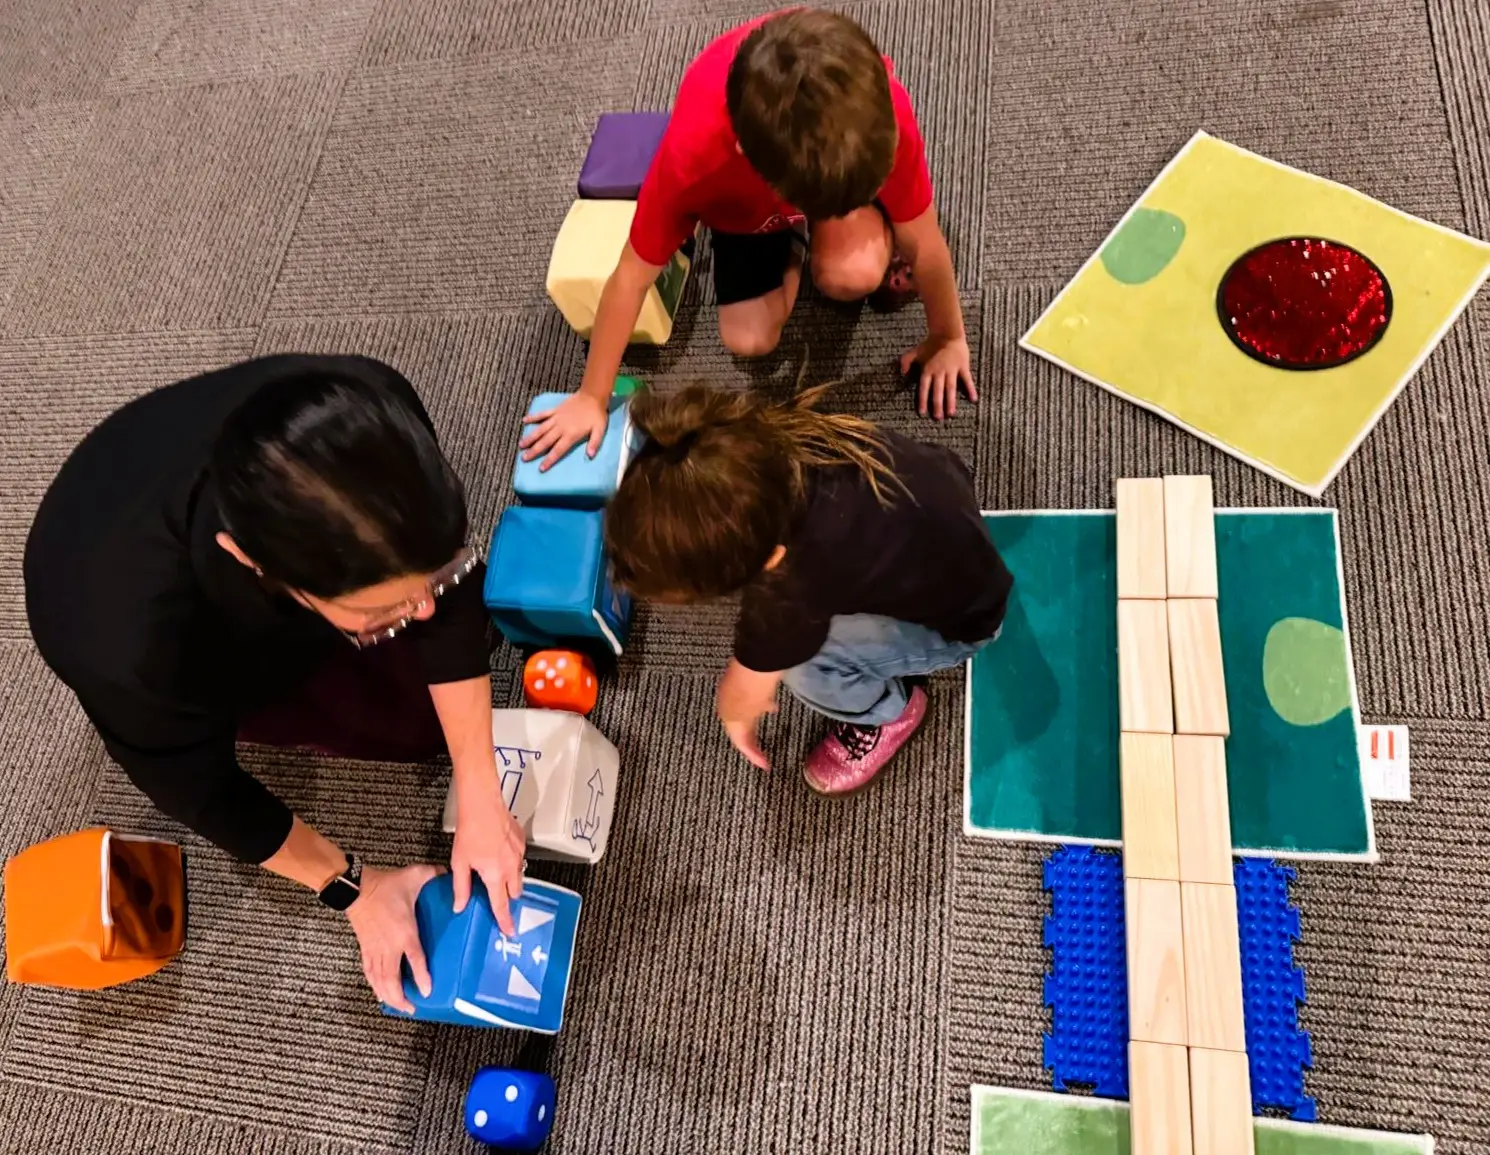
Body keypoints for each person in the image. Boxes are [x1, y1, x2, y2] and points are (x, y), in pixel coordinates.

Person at [23, 355, 526, 1013]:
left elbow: (447, 596)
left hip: (166, 481)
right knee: (412, 727)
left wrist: (482, 790)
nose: (424, 610)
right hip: (142, 609)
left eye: (428, 580)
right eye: (381, 610)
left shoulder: (370, 404)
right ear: (251, 561)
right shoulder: (140, 649)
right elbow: (207, 794)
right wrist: (357, 889)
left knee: (454, 657)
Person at [522, 7, 975, 473]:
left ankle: (834, 220)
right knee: (748, 339)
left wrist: (947, 337)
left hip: (812, 169)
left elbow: (923, 241)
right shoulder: (693, 160)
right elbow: (629, 279)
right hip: (746, 210)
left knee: (852, 276)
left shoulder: (878, 114)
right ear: (749, 158)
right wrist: (591, 396)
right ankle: (796, 241)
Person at [603, 383, 1012, 793]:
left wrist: (734, 714)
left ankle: (890, 712)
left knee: (803, 668)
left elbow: (743, 691)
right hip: (943, 503)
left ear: (769, 560)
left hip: (966, 621)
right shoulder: (773, 440)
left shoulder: (793, 591)